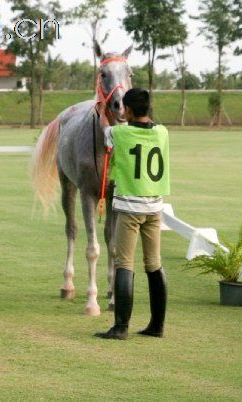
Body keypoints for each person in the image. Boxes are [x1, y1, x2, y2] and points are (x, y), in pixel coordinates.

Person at [94, 88, 170, 340]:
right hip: (155, 207)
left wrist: (102, 112)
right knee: (154, 263)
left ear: (127, 110)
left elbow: (105, 132)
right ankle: (157, 325)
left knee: (124, 263)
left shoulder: (120, 132)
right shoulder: (162, 132)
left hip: (130, 207)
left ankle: (120, 327)